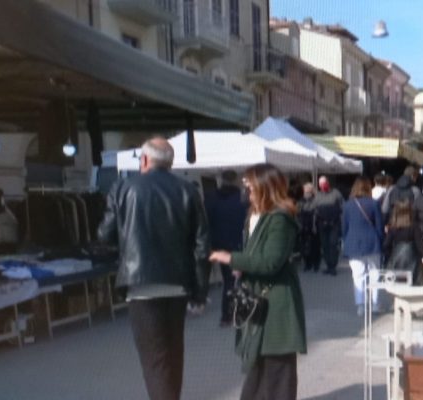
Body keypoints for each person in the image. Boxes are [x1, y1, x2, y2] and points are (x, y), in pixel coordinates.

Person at [97, 137, 210, 400]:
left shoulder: (123, 188)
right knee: (173, 355)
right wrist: (200, 292)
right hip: (177, 284)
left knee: (154, 360)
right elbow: (202, 246)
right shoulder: (188, 191)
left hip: (140, 286)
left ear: (145, 160)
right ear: (170, 163)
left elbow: (105, 234)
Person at [209, 164, 307, 400]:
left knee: (276, 369)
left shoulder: (280, 218)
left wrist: (232, 259)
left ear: (265, 186)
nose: (246, 190)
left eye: (250, 185)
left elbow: (270, 262)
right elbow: (255, 254)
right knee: (258, 365)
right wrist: (242, 269)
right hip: (259, 299)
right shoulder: (255, 215)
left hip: (276, 301)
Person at [204, 170, 249, 327]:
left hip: (219, 245)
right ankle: (237, 313)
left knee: (228, 280)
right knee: (239, 279)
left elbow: (206, 222)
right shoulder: (243, 198)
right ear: (236, 180)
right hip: (240, 243)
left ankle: (227, 316)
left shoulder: (211, 198)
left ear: (221, 180)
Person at [341, 177, 384, 316]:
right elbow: (379, 226)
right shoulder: (374, 204)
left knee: (358, 276)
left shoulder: (347, 205)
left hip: (353, 243)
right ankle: (375, 304)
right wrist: (381, 241)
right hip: (372, 242)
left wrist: (345, 240)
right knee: (375, 274)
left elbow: (344, 227)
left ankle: (360, 305)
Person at [384, 201, 423, 285]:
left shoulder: (393, 227)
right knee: (414, 283)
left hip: (397, 259)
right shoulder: (414, 226)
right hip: (413, 259)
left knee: (397, 283)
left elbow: (386, 245)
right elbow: (420, 244)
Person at [313, 176, 344, 276]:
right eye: (321, 184)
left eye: (324, 183)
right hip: (322, 224)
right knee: (325, 245)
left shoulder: (336, 193)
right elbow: (315, 209)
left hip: (334, 223)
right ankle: (328, 265)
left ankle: (333, 266)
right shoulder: (317, 195)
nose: (323, 185)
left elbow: (342, 206)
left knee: (333, 245)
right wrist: (314, 224)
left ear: (328, 182)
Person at [297, 183, 321, 272]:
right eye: (305, 191)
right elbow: (297, 213)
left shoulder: (315, 200)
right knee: (304, 246)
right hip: (304, 226)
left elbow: (317, 212)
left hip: (313, 226)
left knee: (315, 246)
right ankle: (307, 264)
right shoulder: (301, 201)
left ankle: (315, 264)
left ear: (311, 192)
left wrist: (315, 225)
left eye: (307, 191)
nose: (306, 193)